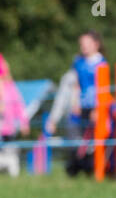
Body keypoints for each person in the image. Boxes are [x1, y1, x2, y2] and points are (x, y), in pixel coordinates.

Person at [45, 31, 106, 176]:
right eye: (81, 44)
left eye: (87, 43)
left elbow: (102, 88)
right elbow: (76, 85)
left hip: (95, 107)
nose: (83, 47)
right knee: (74, 138)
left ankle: (91, 169)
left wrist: (97, 109)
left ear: (96, 44)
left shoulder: (101, 64)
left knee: (92, 141)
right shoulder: (78, 62)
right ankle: (74, 170)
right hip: (79, 107)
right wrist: (75, 103)